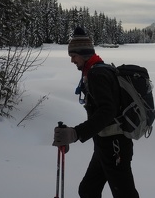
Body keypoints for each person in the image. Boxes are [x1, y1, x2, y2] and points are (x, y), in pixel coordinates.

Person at [52, 27, 139, 198]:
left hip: (115, 146)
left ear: (83, 54)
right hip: (104, 145)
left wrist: (75, 133)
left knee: (125, 194)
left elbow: (107, 112)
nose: (72, 61)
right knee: (88, 190)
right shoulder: (96, 70)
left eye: (73, 56)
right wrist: (75, 134)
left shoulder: (97, 74)